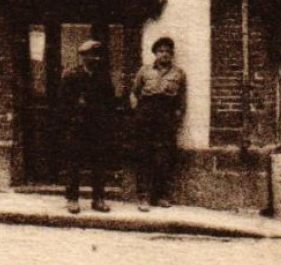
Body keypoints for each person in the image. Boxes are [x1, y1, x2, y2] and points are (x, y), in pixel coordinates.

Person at [59, 39, 119, 215]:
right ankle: (72, 199)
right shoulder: (71, 75)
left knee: (99, 162)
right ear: (83, 57)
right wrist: (73, 113)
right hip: (77, 126)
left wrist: (106, 121)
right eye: (91, 55)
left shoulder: (103, 76)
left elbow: (110, 101)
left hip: (97, 127)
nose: (95, 59)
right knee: (74, 163)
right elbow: (63, 103)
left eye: (97, 55)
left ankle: (98, 199)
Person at [129, 35, 186, 211]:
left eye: (168, 51)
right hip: (146, 114)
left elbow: (181, 99)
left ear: (172, 54)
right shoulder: (145, 71)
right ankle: (143, 197)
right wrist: (137, 110)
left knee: (164, 157)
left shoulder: (179, 74)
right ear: (155, 53)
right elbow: (134, 92)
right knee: (144, 154)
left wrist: (176, 116)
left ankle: (161, 195)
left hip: (166, 116)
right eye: (161, 51)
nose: (165, 54)